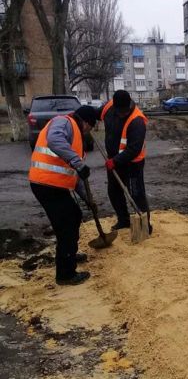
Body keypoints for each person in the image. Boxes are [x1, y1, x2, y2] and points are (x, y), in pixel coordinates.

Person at [29, 106, 97, 285]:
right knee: (66, 224)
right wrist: (77, 161)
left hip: (54, 185)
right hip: (46, 184)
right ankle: (66, 274)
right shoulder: (63, 122)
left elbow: (75, 177)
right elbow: (54, 139)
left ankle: (69, 255)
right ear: (86, 122)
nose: (90, 132)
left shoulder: (75, 138)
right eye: (91, 127)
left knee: (74, 215)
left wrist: (88, 199)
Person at [98, 90, 151, 233]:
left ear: (129, 106)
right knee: (114, 192)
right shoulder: (109, 107)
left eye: (124, 111)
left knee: (136, 194)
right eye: (120, 111)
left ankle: (145, 226)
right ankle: (124, 220)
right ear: (114, 107)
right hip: (114, 161)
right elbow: (96, 114)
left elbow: (134, 149)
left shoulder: (137, 121)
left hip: (133, 163)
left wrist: (115, 160)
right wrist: (80, 117)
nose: (122, 114)